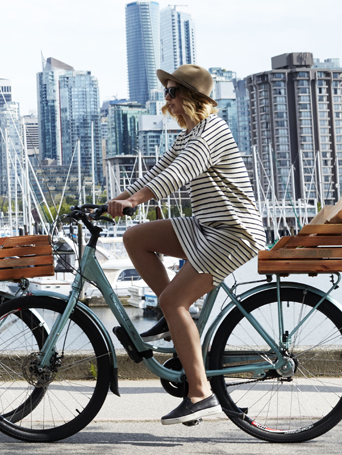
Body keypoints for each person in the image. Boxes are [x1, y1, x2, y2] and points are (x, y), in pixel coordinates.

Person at [107, 64, 264, 425]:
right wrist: (115, 200)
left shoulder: (212, 132)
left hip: (232, 231)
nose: (168, 99)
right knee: (135, 237)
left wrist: (136, 201)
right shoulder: (188, 136)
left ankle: (200, 393)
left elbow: (178, 175)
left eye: (173, 92)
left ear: (193, 97)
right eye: (166, 92)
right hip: (206, 226)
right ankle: (171, 316)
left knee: (174, 298)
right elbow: (158, 170)